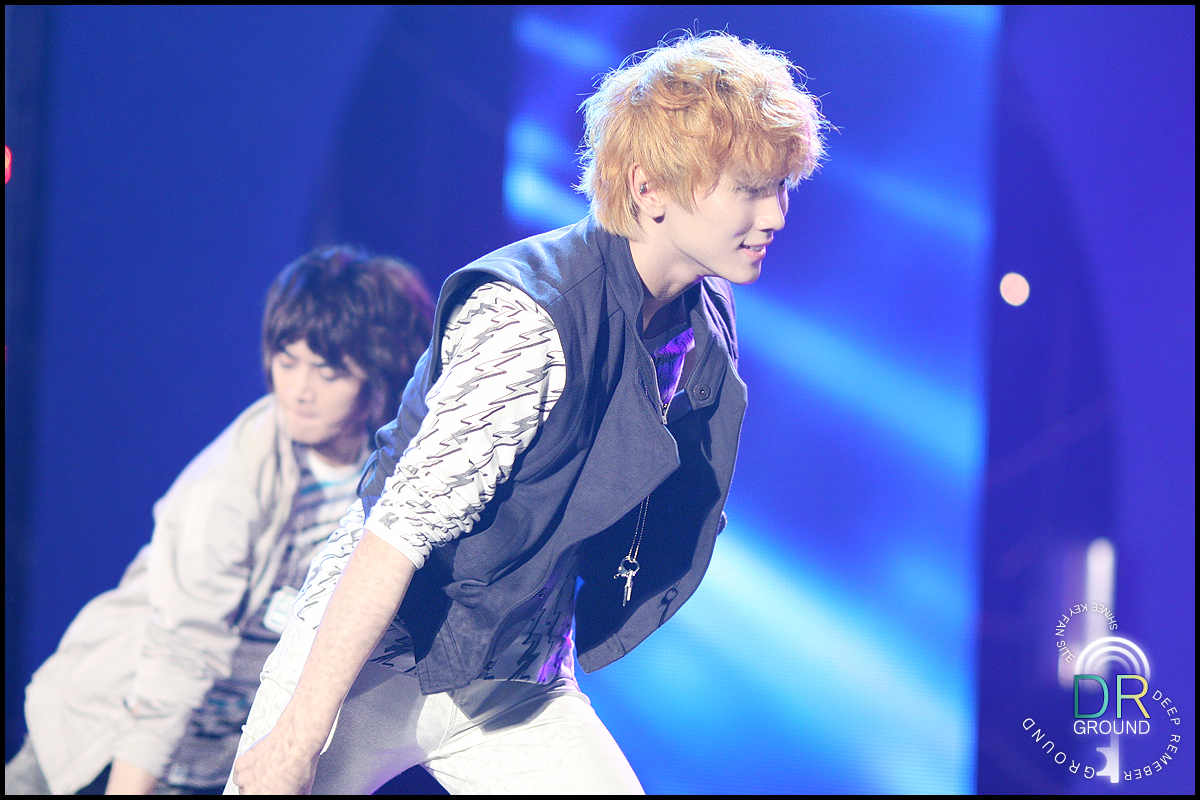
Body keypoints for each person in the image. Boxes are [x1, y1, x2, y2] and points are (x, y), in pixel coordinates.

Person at [229, 31, 827, 795]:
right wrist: (297, 738)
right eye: (749, 189)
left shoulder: (704, 309)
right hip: (375, 663)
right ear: (649, 189)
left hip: (514, 680)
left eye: (782, 187)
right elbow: (397, 531)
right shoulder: (530, 318)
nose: (776, 214)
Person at [4, 246, 433, 795]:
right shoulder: (234, 475)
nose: (298, 391)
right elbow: (179, 652)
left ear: (381, 377)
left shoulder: (390, 479)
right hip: (110, 738)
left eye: (328, 373)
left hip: (220, 755)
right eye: (286, 362)